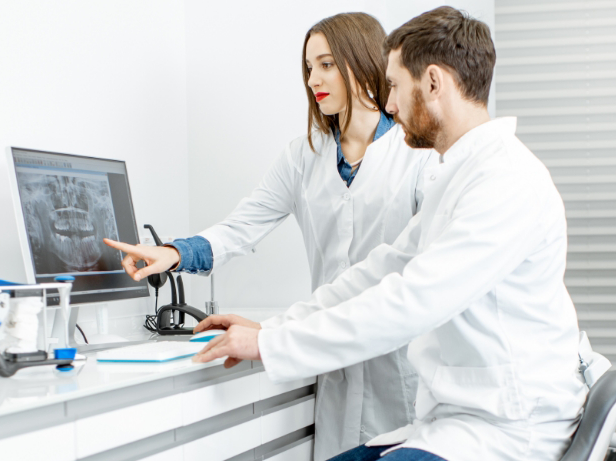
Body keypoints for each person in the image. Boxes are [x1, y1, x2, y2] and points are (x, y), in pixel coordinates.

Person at [190, 7, 588, 461]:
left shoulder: (505, 182)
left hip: (509, 429)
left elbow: (411, 299)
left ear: (433, 83)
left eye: (395, 86)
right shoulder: (457, 176)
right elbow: (380, 271)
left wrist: (271, 344)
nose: (390, 103)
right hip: (458, 421)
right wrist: (274, 328)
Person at [102, 12, 435, 460]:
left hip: (402, 366)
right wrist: (173, 253)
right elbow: (242, 226)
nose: (313, 79)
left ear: (361, 61)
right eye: (308, 68)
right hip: (331, 363)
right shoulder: (304, 156)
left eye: (326, 64)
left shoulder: (416, 155)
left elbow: (423, 269)